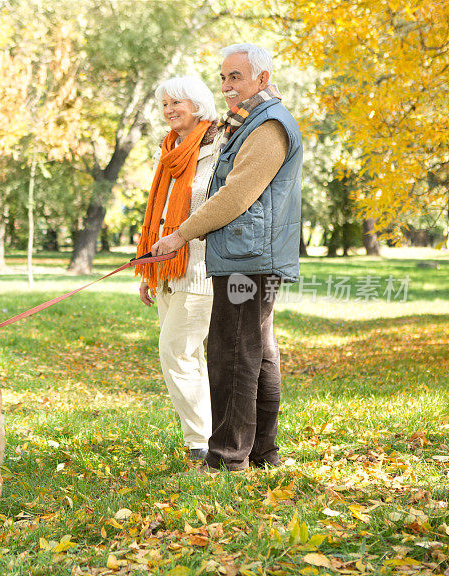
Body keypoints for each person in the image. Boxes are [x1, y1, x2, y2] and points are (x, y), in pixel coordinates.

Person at [151, 44, 303, 472]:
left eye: (235, 76)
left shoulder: (269, 126)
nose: (225, 86)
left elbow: (236, 194)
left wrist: (181, 234)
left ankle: (226, 458)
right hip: (248, 253)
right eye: (222, 77)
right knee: (259, 353)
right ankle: (261, 453)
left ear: (263, 78)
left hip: (249, 257)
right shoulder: (247, 123)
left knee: (232, 353)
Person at [135, 75, 219, 461]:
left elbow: (216, 207)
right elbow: (160, 211)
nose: (169, 110)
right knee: (188, 356)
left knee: (176, 352)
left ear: (198, 104)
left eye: (177, 102)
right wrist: (149, 268)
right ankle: (208, 434)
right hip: (166, 268)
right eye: (165, 104)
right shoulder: (168, 150)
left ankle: (199, 443)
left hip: (200, 265)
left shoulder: (215, 147)